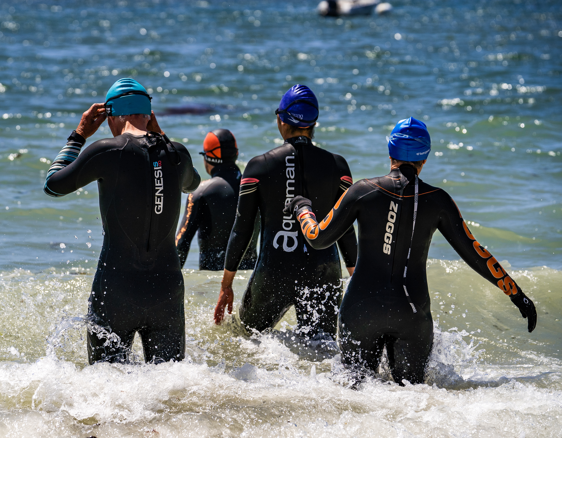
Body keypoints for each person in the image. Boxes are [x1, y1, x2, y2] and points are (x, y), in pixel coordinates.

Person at [287, 117, 537, 384]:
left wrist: (303, 209)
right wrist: (516, 293)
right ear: (424, 159)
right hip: (411, 313)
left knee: (354, 391)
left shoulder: (362, 190)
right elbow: (474, 253)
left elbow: (317, 238)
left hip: (361, 310)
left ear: (391, 153)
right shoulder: (438, 200)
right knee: (411, 397)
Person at [44, 78, 201, 364]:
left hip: (116, 290)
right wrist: (162, 137)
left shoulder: (106, 150)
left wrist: (79, 135)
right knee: (171, 384)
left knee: (107, 382)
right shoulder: (177, 154)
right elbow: (193, 183)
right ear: (149, 114)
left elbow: (53, 185)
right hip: (166, 291)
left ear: (111, 116)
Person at [213, 85, 358, 344]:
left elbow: (242, 228)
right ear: (313, 123)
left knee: (246, 343)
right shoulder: (338, 166)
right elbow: (345, 231)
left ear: (281, 120)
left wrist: (226, 285)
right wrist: (357, 282)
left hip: (273, 271)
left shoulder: (258, 166)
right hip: (322, 272)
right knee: (322, 350)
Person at [175, 129, 258, 271]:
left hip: (214, 280)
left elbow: (181, 243)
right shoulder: (255, 189)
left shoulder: (201, 192)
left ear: (208, 157)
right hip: (249, 277)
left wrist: (168, 279)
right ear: (235, 154)